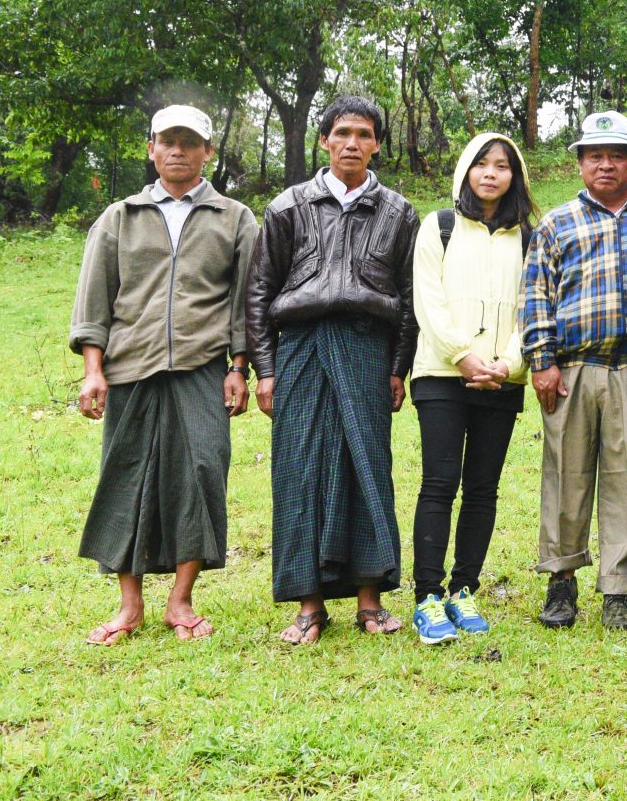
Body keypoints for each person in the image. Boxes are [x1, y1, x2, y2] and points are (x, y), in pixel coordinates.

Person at [71, 104, 258, 645]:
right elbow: (94, 300)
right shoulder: (120, 217)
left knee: (201, 471)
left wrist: (239, 367)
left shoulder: (234, 218)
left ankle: (181, 600)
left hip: (202, 367)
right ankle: (129, 606)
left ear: (207, 152)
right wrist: (93, 371)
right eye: (167, 141)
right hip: (129, 368)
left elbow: (245, 301)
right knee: (127, 475)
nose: (177, 150)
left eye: (189, 142)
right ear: (150, 149)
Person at [245, 95, 419, 643]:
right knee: (300, 469)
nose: (352, 143)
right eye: (342, 133)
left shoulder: (398, 212)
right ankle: (309, 603)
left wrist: (398, 367)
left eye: (364, 135)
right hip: (300, 348)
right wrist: (265, 371)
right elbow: (259, 293)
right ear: (323, 140)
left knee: (366, 465)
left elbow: (410, 299)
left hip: (368, 349)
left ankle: (371, 602)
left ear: (376, 145)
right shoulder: (287, 207)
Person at [521, 111, 627, 634]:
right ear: (580, 162)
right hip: (573, 370)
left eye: (617, 155)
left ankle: (620, 590)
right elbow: (536, 295)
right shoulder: (557, 223)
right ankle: (561, 580)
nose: (606, 164)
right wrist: (542, 361)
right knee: (566, 474)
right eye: (595, 155)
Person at [407, 132, 536, 646]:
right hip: (441, 374)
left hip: (501, 380)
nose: (490, 173)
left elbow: (535, 305)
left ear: (515, 176)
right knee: (439, 482)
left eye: (502, 166)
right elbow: (429, 302)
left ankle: (464, 589)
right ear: (465, 170)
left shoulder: (529, 235)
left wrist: (506, 364)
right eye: (481, 163)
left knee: (483, 487)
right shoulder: (437, 227)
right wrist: (464, 356)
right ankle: (427, 597)